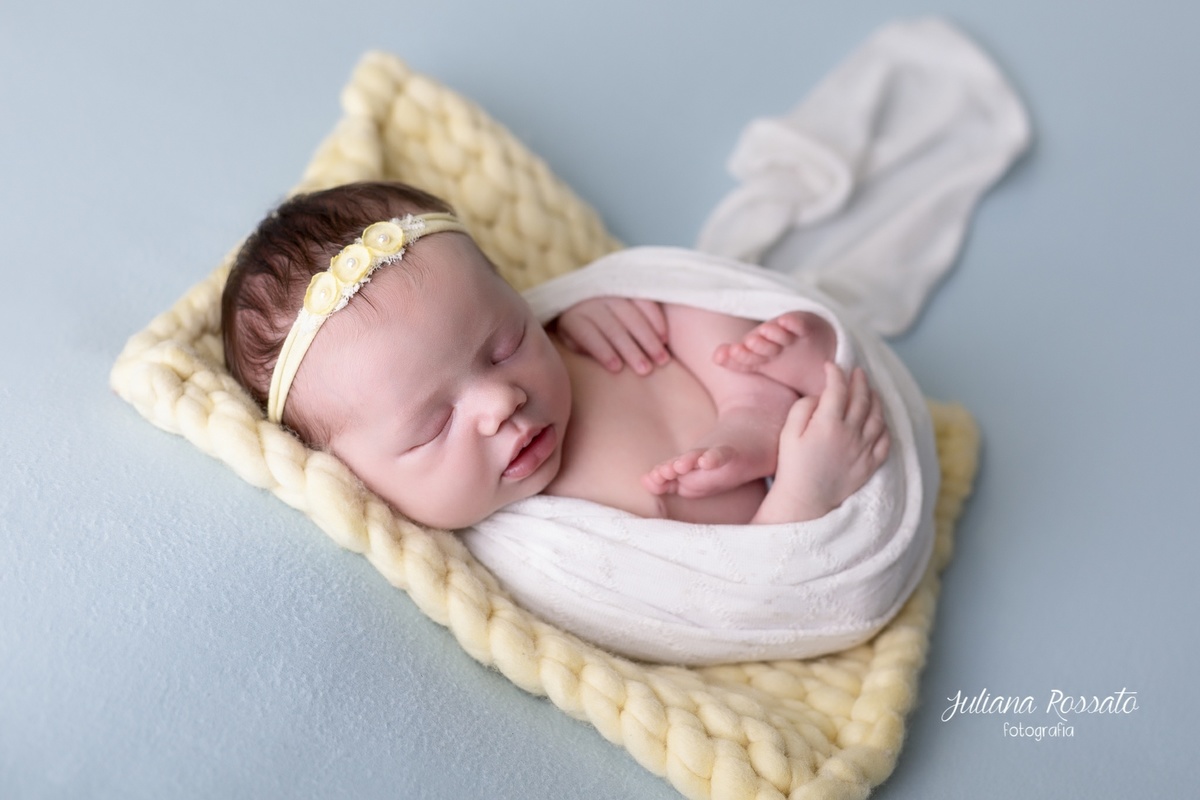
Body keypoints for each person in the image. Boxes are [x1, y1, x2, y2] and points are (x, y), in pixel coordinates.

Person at [222, 181, 889, 530]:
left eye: (506, 341)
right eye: (432, 425)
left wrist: (598, 307)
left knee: (674, 291)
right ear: (355, 477)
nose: (499, 401)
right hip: (772, 523)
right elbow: (729, 611)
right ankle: (798, 479)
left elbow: (638, 292)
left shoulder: (567, 334)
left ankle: (761, 394)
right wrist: (805, 498)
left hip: (726, 391)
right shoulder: (528, 548)